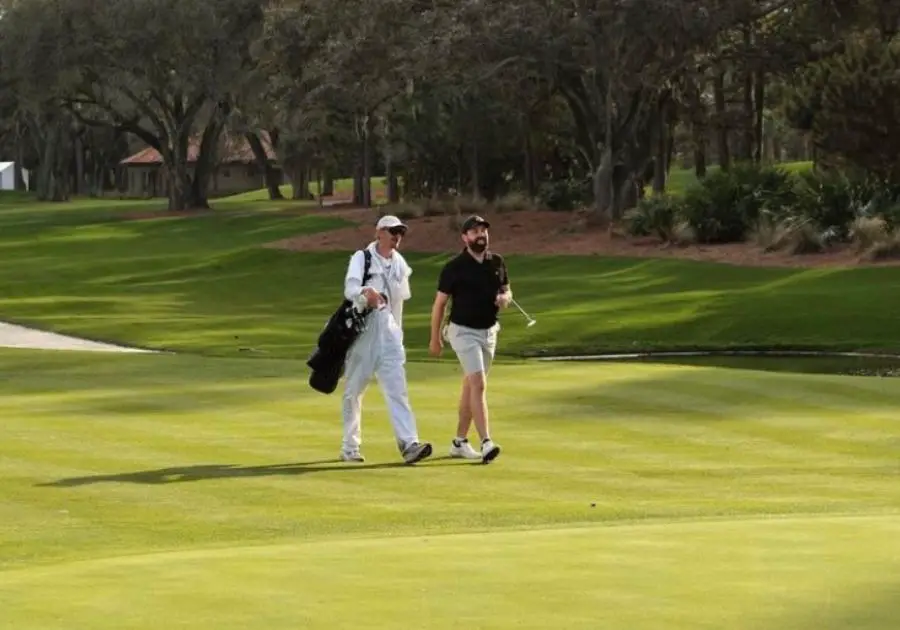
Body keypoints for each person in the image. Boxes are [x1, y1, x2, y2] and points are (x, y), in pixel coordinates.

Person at [340, 214, 433, 465]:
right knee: (353, 391)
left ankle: (409, 443)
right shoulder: (363, 258)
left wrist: (398, 336)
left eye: (400, 232)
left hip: (390, 336)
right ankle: (350, 446)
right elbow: (350, 289)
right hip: (364, 334)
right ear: (379, 232)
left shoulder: (400, 265)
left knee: (398, 391)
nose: (397, 236)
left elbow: (398, 305)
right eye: (392, 231)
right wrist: (364, 293)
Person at [428, 214, 510, 464]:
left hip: (489, 332)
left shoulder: (496, 261)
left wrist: (505, 298)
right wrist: (435, 338)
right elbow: (439, 304)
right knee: (479, 384)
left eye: (483, 231)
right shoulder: (454, 267)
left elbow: (506, 288)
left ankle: (459, 442)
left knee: (470, 387)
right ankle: (487, 442)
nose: (480, 235)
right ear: (464, 238)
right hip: (462, 331)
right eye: (474, 232)